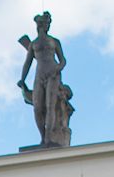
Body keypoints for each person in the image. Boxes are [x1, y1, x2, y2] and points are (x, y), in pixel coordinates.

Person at [18, 11, 73, 147]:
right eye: (44, 24)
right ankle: (43, 138)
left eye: (47, 24)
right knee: (37, 107)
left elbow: (63, 60)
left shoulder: (54, 41)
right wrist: (22, 79)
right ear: (39, 25)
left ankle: (48, 139)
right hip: (39, 74)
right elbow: (28, 62)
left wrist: (58, 69)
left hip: (52, 74)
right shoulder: (33, 44)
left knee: (50, 105)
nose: (46, 26)